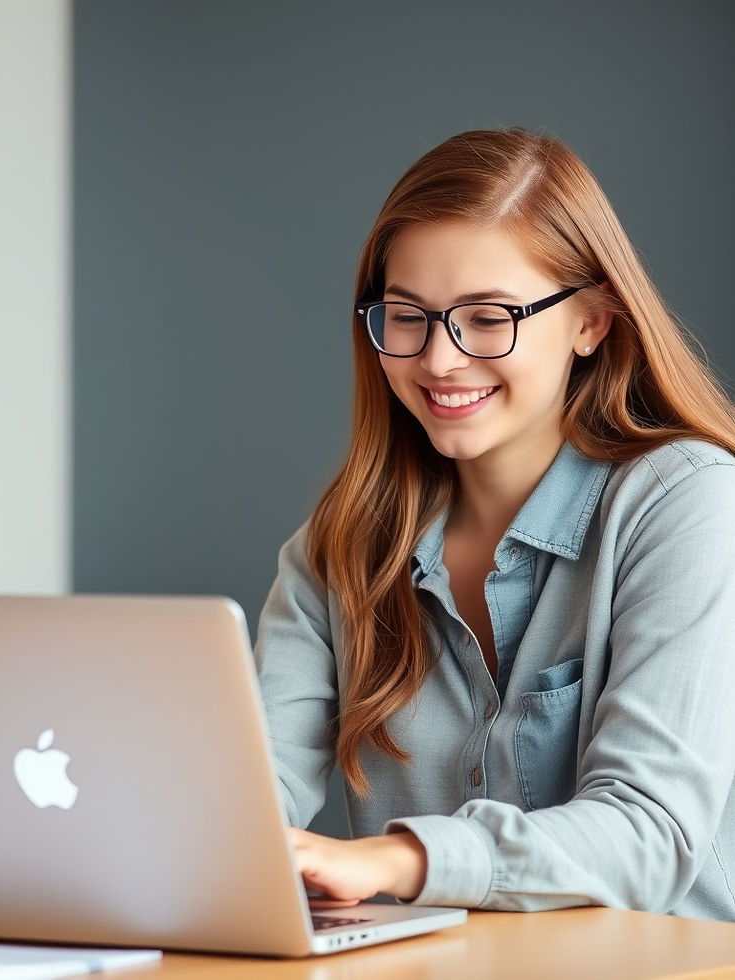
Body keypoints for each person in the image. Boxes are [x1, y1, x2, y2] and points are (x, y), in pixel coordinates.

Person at [254, 127, 735, 921]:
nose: (440, 360)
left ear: (592, 321)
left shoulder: (687, 505)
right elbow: (254, 791)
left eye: (488, 317)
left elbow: (649, 829)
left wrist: (402, 858)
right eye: (407, 316)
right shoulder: (335, 549)